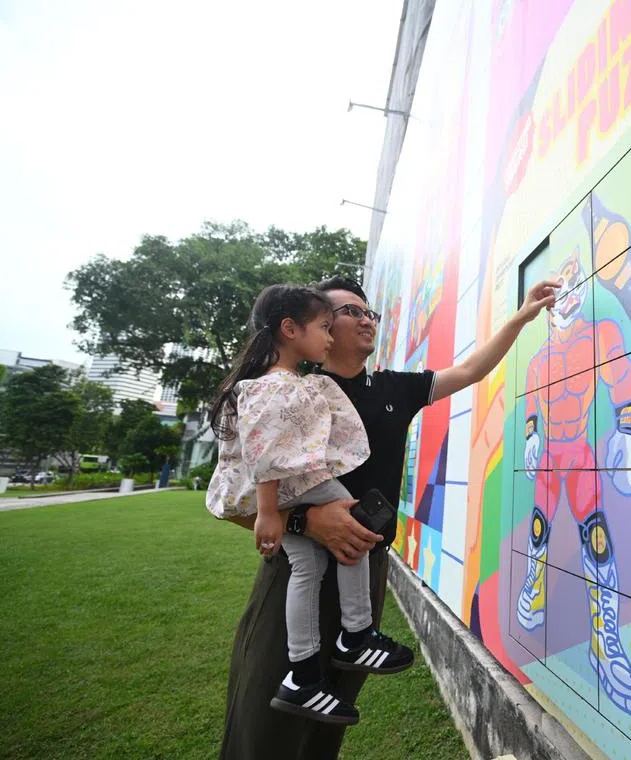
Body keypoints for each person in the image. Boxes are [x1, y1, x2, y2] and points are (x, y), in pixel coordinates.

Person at [218, 273, 558, 759]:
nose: (364, 319)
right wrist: (305, 523)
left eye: (368, 311)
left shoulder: (393, 388)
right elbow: (235, 494)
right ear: (318, 327)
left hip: (366, 571)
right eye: (347, 311)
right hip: (299, 575)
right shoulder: (291, 392)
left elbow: (470, 372)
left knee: (325, 729)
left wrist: (522, 317)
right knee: (265, 727)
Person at [206, 283, 414, 727]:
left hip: (278, 496)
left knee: (307, 566)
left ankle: (302, 676)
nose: (328, 337)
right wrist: (267, 511)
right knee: (351, 519)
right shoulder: (276, 386)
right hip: (283, 490)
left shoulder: (276, 383)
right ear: (289, 329)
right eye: (324, 326)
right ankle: (356, 635)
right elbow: (267, 451)